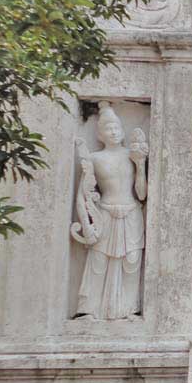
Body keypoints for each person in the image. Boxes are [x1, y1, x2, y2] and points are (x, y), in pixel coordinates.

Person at [71, 102, 148, 319]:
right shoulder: (94, 159)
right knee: (98, 261)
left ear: (122, 130)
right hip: (104, 213)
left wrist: (140, 165)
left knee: (131, 262)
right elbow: (83, 194)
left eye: (116, 127)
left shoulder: (132, 156)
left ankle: (129, 309)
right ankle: (88, 309)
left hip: (131, 212)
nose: (113, 132)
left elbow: (142, 194)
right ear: (100, 134)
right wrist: (86, 224)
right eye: (108, 128)